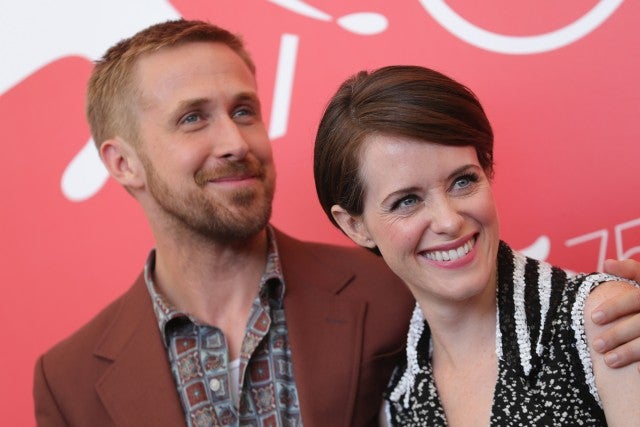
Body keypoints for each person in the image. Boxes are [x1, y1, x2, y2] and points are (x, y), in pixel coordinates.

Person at [32, 19, 640, 427]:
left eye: (244, 110)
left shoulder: (399, 293)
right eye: (193, 118)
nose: (235, 142)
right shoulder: (67, 381)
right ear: (122, 162)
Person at [313, 65, 640, 426]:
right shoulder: (399, 398)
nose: (449, 221)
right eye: (407, 201)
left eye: (463, 181)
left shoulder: (606, 322)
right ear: (355, 226)